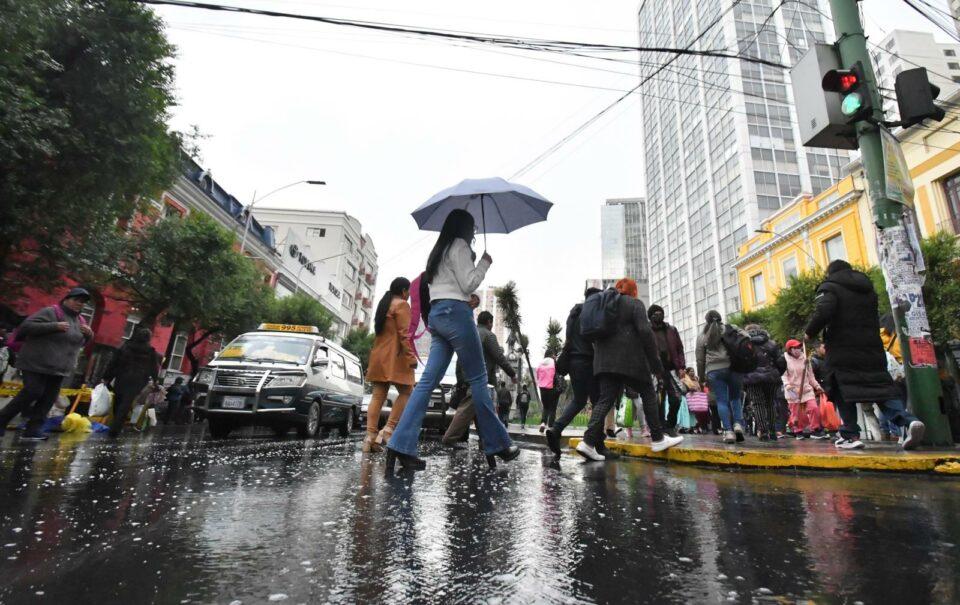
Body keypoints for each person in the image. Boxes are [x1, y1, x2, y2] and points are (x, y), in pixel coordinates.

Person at [386, 209, 518, 472]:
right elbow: (469, 283)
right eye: (473, 229)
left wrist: (467, 298)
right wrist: (484, 262)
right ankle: (498, 443)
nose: (474, 233)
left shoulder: (438, 251)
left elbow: (448, 289)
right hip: (456, 316)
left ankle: (398, 444)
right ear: (464, 228)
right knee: (479, 379)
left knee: (426, 383)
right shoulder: (458, 245)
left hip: (438, 315)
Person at [805, 259, 925, 450]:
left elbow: (824, 311)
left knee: (840, 386)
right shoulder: (867, 289)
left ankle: (851, 435)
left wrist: (809, 332)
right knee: (880, 387)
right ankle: (908, 421)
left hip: (842, 347)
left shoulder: (830, 287)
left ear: (830, 273)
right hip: (871, 347)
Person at [575, 278, 683, 461]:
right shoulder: (634, 304)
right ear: (633, 291)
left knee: (605, 400)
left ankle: (587, 442)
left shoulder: (604, 305)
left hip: (603, 360)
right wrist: (656, 365)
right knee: (648, 391)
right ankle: (657, 438)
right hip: (630, 360)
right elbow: (645, 332)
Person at [0, 288, 94, 441]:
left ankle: (33, 429)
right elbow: (26, 327)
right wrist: (53, 326)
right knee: (33, 391)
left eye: (83, 302)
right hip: (36, 362)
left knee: (48, 398)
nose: (79, 304)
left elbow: (79, 342)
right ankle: (2, 420)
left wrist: (89, 334)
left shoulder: (81, 321)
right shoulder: (50, 312)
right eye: (76, 300)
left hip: (59, 367)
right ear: (66, 299)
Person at [441, 309, 517, 445]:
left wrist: (460, 380)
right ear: (489, 322)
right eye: (491, 323)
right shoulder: (489, 336)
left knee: (481, 412)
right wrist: (512, 373)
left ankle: (486, 441)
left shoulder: (468, 334)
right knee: (468, 410)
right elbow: (499, 357)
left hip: (466, 379)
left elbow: (459, 359)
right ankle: (450, 438)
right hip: (480, 381)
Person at [363, 277, 417, 453]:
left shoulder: (384, 303)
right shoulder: (402, 304)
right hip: (396, 358)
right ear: (403, 291)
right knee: (407, 391)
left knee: (378, 396)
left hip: (378, 355)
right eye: (408, 291)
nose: (409, 295)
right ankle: (388, 429)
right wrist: (411, 357)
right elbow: (404, 335)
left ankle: (370, 437)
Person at [546, 288, 601, 457]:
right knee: (599, 402)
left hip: (574, 362)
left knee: (579, 400)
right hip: (589, 362)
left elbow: (570, 339)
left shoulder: (574, 313)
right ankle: (595, 443)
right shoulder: (591, 312)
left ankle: (556, 429)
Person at [696, 310, 745, 444]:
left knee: (722, 401)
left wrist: (701, 377)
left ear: (707, 321)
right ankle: (738, 424)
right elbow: (746, 337)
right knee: (735, 397)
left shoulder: (702, 336)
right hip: (733, 368)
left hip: (714, 371)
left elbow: (700, 360)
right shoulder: (731, 328)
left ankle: (728, 431)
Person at [105, 327, 161, 437]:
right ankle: (116, 427)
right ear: (148, 339)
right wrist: (155, 380)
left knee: (118, 399)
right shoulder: (150, 351)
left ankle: (115, 424)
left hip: (122, 376)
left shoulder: (126, 347)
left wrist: (107, 377)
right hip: (138, 380)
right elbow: (154, 368)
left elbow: (114, 362)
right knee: (126, 402)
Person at [741, 324, 787, 441]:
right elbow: (781, 362)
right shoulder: (771, 343)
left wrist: (744, 377)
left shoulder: (745, 345)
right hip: (771, 377)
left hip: (752, 378)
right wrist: (776, 374)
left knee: (758, 404)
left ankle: (763, 431)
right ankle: (772, 431)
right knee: (770, 403)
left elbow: (741, 363)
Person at [647, 304, 686, 437]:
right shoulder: (646, 330)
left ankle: (670, 424)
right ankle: (662, 427)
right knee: (659, 401)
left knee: (676, 399)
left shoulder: (671, 329)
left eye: (660, 312)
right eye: (655, 313)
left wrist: (681, 367)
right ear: (650, 317)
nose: (659, 315)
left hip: (671, 370)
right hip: (654, 371)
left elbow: (680, 349)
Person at [781, 339, 827, 440]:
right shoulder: (784, 360)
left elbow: (811, 376)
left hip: (806, 389)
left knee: (814, 408)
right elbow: (783, 375)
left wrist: (817, 386)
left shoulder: (805, 359)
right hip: (792, 390)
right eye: (795, 348)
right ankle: (798, 431)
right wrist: (787, 385)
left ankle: (816, 429)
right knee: (797, 413)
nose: (798, 349)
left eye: (799, 347)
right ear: (790, 350)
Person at [535, 356, 557, 433]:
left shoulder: (541, 364)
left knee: (546, 407)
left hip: (542, 388)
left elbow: (537, 375)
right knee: (553, 408)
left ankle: (543, 423)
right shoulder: (553, 363)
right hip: (551, 387)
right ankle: (551, 427)